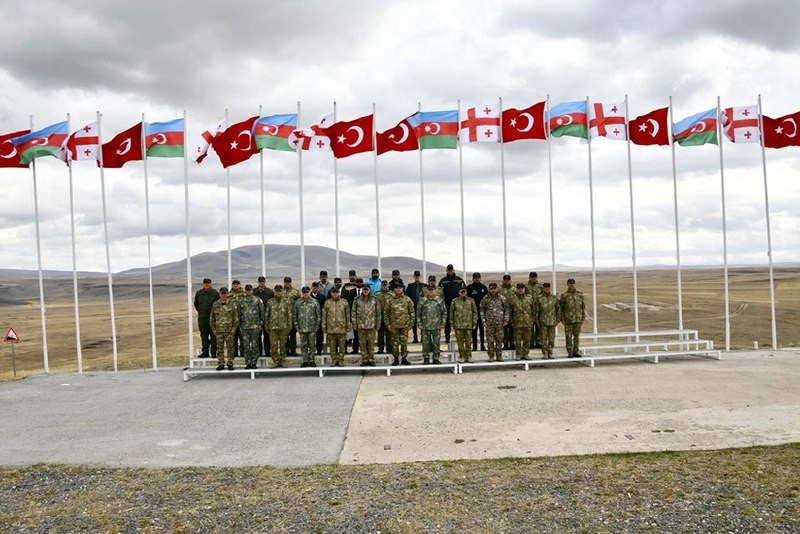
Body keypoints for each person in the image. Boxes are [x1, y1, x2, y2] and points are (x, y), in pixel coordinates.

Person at [384, 282, 415, 365]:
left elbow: (412, 312)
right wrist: (388, 324)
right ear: (394, 289)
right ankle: (396, 359)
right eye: (397, 288)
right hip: (394, 326)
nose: (398, 289)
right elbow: (386, 313)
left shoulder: (407, 299)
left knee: (404, 343)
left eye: (400, 288)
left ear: (402, 289)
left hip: (405, 326)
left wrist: (410, 324)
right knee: (395, 343)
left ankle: (404, 358)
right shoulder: (390, 300)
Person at [351, 284, 381, 366]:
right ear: (362, 290)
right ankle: (364, 359)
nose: (365, 291)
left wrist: (378, 324)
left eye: (367, 289)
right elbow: (353, 312)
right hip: (361, 326)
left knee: (371, 344)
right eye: (364, 289)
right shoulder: (357, 300)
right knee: (362, 343)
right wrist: (354, 324)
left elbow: (378, 313)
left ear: (369, 290)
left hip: (371, 325)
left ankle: (371, 359)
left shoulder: (374, 299)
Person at [416, 284, 447, 364]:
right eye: (429, 290)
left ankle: (436, 358)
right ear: (426, 291)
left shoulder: (439, 300)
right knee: (425, 343)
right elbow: (418, 313)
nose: (430, 291)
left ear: (435, 290)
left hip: (437, 326)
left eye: (432, 290)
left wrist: (443, 323)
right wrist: (419, 323)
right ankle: (426, 358)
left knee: (436, 343)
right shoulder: (422, 300)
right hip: (425, 326)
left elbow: (444, 312)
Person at [264, 285, 293, 367]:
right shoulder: (270, 302)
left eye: (280, 291)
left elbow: (289, 314)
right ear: (274, 292)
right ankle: (275, 361)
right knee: (273, 346)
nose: (278, 292)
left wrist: (289, 326)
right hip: (272, 328)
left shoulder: (286, 301)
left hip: (283, 327)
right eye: (277, 291)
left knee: (283, 346)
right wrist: (266, 326)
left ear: (282, 291)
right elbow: (267, 315)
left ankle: (283, 360)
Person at [210, 287, 238, 371]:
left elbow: (235, 317)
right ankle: (221, 364)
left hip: (229, 331)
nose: (223, 295)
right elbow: (212, 317)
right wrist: (213, 329)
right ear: (219, 294)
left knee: (230, 348)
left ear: (227, 294)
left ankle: (230, 363)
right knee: (220, 348)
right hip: (219, 331)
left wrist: (234, 328)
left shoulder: (231, 304)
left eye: (225, 293)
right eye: (222, 293)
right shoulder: (215, 304)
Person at [322, 287, 351, 366]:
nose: (335, 294)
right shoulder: (327, 303)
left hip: (341, 328)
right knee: (332, 346)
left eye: (336, 292)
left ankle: (341, 360)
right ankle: (334, 360)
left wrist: (348, 326)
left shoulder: (344, 302)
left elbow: (347, 315)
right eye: (333, 292)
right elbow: (324, 315)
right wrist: (324, 327)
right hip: (331, 328)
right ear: (331, 293)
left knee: (342, 346)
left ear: (339, 293)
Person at [238, 284, 265, 369]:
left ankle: (254, 363)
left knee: (255, 346)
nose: (248, 291)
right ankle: (248, 363)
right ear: (245, 291)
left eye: (250, 290)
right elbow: (239, 314)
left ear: (252, 291)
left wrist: (261, 324)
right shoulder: (241, 301)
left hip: (255, 327)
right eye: (247, 290)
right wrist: (240, 326)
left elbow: (262, 312)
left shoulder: (257, 300)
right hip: (245, 327)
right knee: (246, 347)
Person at [480, 282, 509, 362]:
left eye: (494, 288)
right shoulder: (485, 299)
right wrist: (483, 321)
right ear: (489, 289)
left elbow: (507, 309)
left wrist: (506, 320)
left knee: (499, 340)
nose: (493, 290)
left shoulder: (502, 298)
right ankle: (491, 356)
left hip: (500, 323)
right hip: (489, 323)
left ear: (497, 289)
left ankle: (499, 355)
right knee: (490, 340)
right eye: (491, 289)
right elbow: (482, 310)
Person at [450, 285, 478, 363]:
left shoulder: (471, 301)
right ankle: (462, 356)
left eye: (464, 291)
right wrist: (452, 324)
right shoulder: (454, 301)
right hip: (458, 325)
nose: (463, 293)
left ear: (466, 292)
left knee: (468, 342)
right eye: (461, 291)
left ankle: (469, 356)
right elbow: (451, 313)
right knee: (460, 342)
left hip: (468, 325)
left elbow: (475, 312)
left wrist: (474, 322)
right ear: (459, 292)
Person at [508, 282, 537, 360]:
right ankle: (518, 354)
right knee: (517, 341)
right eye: (519, 288)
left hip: (528, 323)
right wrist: (512, 322)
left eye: (522, 288)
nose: (520, 290)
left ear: (524, 289)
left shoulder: (529, 298)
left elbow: (534, 310)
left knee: (527, 340)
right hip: (517, 323)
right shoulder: (513, 299)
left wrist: (532, 320)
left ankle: (525, 354)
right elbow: (510, 311)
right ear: (516, 289)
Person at [295, 286, 321, 367]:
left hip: (312, 328)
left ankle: (312, 360)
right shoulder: (298, 302)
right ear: (302, 293)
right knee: (303, 345)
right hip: (302, 328)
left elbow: (318, 315)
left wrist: (317, 326)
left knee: (312, 345)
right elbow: (295, 315)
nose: (305, 294)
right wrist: (296, 326)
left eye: (307, 292)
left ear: (309, 292)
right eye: (304, 292)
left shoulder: (314, 302)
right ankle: (305, 361)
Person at [559, 278, 586, 358]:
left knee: (576, 337)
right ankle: (570, 352)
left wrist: (583, 318)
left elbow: (583, 307)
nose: (572, 285)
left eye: (573, 283)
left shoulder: (579, 295)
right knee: (568, 337)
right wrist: (562, 319)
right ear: (567, 284)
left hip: (577, 319)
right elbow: (561, 308)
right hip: (568, 320)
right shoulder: (564, 296)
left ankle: (576, 351)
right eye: (570, 284)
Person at [438, 264, 464, 343]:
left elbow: (464, 291)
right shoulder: (443, 281)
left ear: (453, 270)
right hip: (447, 304)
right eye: (449, 270)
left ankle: (460, 337)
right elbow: (439, 292)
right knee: (447, 322)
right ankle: (447, 337)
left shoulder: (459, 280)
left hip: (457, 305)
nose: (450, 271)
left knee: (458, 321)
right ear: (447, 271)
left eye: (451, 270)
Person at [193, 278, 219, 358]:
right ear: (203, 284)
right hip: (202, 318)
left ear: (211, 284)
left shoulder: (215, 293)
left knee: (213, 336)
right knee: (204, 335)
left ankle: (213, 352)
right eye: (205, 283)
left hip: (213, 318)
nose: (206, 285)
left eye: (208, 283)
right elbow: (196, 304)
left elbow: (218, 304)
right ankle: (205, 352)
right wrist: (202, 312)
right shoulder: (199, 293)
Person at [536, 282, 560, 359]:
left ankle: (550, 352)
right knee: (543, 339)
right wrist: (537, 321)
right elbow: (536, 311)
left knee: (551, 339)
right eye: (545, 287)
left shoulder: (554, 298)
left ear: (550, 288)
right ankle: (545, 353)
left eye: (548, 287)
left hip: (552, 322)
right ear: (543, 288)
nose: (547, 288)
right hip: (543, 322)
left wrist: (557, 320)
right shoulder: (539, 298)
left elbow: (558, 309)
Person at [253, 276, 274, 358]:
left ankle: (268, 352)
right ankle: (259, 352)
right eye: (260, 282)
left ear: (265, 282)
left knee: (267, 335)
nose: (261, 283)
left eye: (263, 282)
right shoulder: (254, 292)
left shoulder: (269, 292)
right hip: (256, 317)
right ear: (258, 282)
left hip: (267, 317)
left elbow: (273, 303)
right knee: (257, 336)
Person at [467, 272, 488, 352]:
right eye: (475, 277)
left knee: (482, 329)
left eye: (478, 277)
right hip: (473, 312)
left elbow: (487, 299)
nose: (477, 279)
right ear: (473, 278)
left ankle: (482, 345)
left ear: (480, 278)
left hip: (482, 312)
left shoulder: (484, 288)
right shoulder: (469, 288)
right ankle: (474, 346)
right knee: (474, 330)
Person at [405, 270, 425, 343]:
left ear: (420, 276)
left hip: (422, 307)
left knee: (422, 321)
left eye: (418, 276)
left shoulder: (424, 286)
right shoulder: (410, 286)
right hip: (413, 306)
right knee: (414, 322)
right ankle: (415, 337)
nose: (417, 277)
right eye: (416, 276)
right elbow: (407, 297)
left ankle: (423, 337)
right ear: (414, 277)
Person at [283, 276, 300, 356]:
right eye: (286, 282)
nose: (287, 283)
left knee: (293, 335)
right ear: (284, 282)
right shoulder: (280, 291)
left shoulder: (295, 292)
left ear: (291, 282)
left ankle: (293, 351)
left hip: (292, 317)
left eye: (289, 282)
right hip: (283, 318)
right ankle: (286, 351)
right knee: (285, 336)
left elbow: (299, 303)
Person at [525, 272, 544, 349]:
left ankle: (539, 342)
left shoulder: (540, 287)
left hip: (539, 310)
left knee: (539, 327)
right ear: (529, 277)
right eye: (532, 277)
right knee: (530, 327)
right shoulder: (526, 287)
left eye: (535, 277)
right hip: (529, 310)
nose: (533, 278)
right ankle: (531, 342)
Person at [228, 280, 246, 357]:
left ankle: (243, 354)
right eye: (234, 284)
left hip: (242, 320)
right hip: (232, 321)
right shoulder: (228, 295)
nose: (236, 285)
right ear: (232, 285)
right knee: (233, 338)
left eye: (237, 284)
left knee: (243, 338)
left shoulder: (244, 294)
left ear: (240, 285)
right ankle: (234, 354)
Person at [499, 274, 516, 350]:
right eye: (505, 280)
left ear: (510, 280)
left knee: (512, 329)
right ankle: (505, 344)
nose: (507, 281)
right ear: (503, 280)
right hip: (503, 312)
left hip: (512, 312)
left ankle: (512, 343)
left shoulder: (514, 289)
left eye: (508, 280)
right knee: (504, 329)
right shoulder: (499, 289)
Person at [375, 280, 392, 353]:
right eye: (383, 285)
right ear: (381, 286)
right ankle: (380, 348)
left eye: (385, 285)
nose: (384, 286)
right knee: (380, 335)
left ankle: (389, 348)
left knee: (389, 334)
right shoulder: (377, 294)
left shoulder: (391, 294)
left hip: (389, 318)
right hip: (380, 317)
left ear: (388, 285)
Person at [310, 282, 326, 355]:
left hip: (319, 320)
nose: (315, 288)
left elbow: (324, 308)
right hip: (310, 320)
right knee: (311, 337)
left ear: (318, 288)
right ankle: (311, 350)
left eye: (316, 287)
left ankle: (319, 350)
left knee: (320, 336)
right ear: (311, 288)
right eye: (314, 287)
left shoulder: (322, 297)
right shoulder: (308, 297)